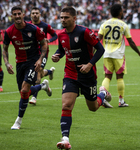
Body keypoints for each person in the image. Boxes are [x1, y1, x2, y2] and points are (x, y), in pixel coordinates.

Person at [51, 6, 112, 150]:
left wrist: (90, 64)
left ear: (74, 18)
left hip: (87, 75)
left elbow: (101, 49)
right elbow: (61, 49)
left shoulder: (85, 32)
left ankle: (102, 94)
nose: (63, 20)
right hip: (70, 74)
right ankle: (65, 139)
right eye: (61, 17)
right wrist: (57, 55)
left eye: (66, 17)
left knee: (93, 107)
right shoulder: (61, 35)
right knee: (66, 105)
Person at [2, 6, 52, 130]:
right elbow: (5, 48)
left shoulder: (33, 29)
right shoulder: (9, 32)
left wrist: (40, 60)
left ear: (23, 14)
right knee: (24, 93)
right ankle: (43, 86)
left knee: (25, 90)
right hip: (20, 64)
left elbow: (44, 44)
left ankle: (18, 121)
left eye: (19, 13)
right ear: (12, 16)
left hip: (33, 62)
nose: (17, 16)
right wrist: (7, 63)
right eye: (15, 14)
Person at [98, 4, 140, 107]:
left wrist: (91, 52)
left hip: (106, 54)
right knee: (120, 77)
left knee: (107, 76)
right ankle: (121, 101)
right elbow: (130, 42)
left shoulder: (104, 24)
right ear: (120, 12)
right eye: (122, 11)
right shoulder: (123, 25)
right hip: (118, 55)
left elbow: (98, 39)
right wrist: (139, 52)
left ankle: (103, 98)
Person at [28, 7, 58, 105]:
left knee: (37, 72)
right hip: (32, 52)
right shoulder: (27, 25)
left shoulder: (45, 26)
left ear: (40, 14)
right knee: (38, 72)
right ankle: (49, 73)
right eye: (33, 13)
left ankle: (34, 97)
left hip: (43, 52)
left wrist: (49, 40)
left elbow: (55, 35)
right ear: (31, 15)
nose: (35, 15)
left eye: (37, 13)